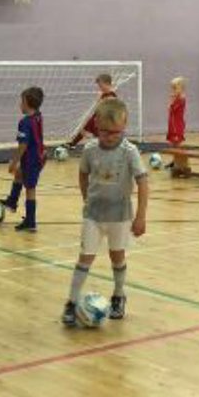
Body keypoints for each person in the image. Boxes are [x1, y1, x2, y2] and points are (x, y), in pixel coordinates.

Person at [62, 99, 149, 326]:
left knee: (117, 256)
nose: (109, 136)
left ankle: (119, 295)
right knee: (85, 258)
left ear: (124, 126)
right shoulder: (90, 149)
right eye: (103, 131)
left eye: (115, 132)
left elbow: (143, 183)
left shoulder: (129, 151)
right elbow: (83, 174)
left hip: (120, 216)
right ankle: (71, 303)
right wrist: (85, 198)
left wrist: (140, 216)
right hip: (93, 215)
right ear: (96, 125)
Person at [0, 87, 45, 232]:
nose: (19, 104)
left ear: (26, 103)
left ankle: (31, 222)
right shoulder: (38, 116)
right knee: (20, 174)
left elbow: (23, 145)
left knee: (30, 189)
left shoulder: (25, 122)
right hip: (38, 156)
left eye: (21, 101)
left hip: (31, 159)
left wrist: (14, 162)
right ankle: (12, 202)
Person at [67, 74, 119, 148]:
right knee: (84, 130)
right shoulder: (104, 93)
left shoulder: (111, 96)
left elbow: (110, 110)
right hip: (96, 116)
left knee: (99, 134)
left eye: (101, 86)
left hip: (102, 118)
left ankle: (108, 146)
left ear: (107, 84)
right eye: (99, 86)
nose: (99, 87)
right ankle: (73, 144)